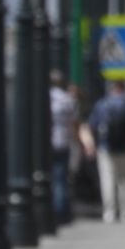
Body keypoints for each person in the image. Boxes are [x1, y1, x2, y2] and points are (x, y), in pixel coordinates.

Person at [87, 80, 125, 223]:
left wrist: (93, 144)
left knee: (107, 180)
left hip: (106, 148)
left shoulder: (101, 105)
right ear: (123, 89)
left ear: (112, 89)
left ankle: (109, 212)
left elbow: (92, 125)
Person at [48, 73, 77, 224]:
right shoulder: (67, 99)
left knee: (50, 178)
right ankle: (61, 212)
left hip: (47, 142)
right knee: (61, 178)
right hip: (63, 141)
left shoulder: (47, 97)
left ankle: (53, 211)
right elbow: (74, 121)